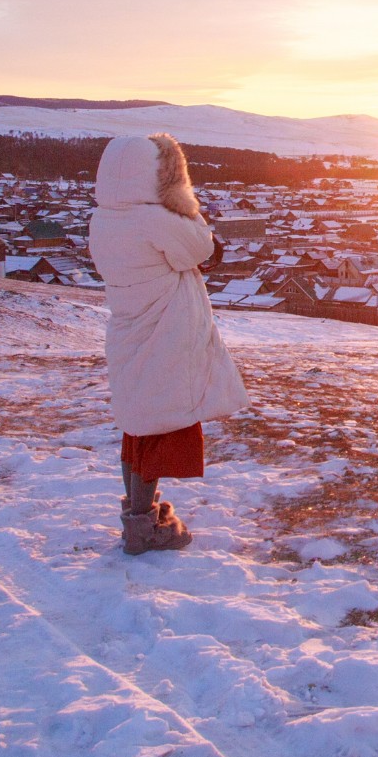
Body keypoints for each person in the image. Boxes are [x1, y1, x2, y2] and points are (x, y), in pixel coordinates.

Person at [87, 134, 248, 554]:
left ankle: (138, 516)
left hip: (130, 329)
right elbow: (200, 246)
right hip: (164, 333)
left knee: (137, 427)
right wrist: (181, 199)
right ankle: (142, 528)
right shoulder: (153, 219)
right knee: (157, 426)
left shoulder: (104, 217)